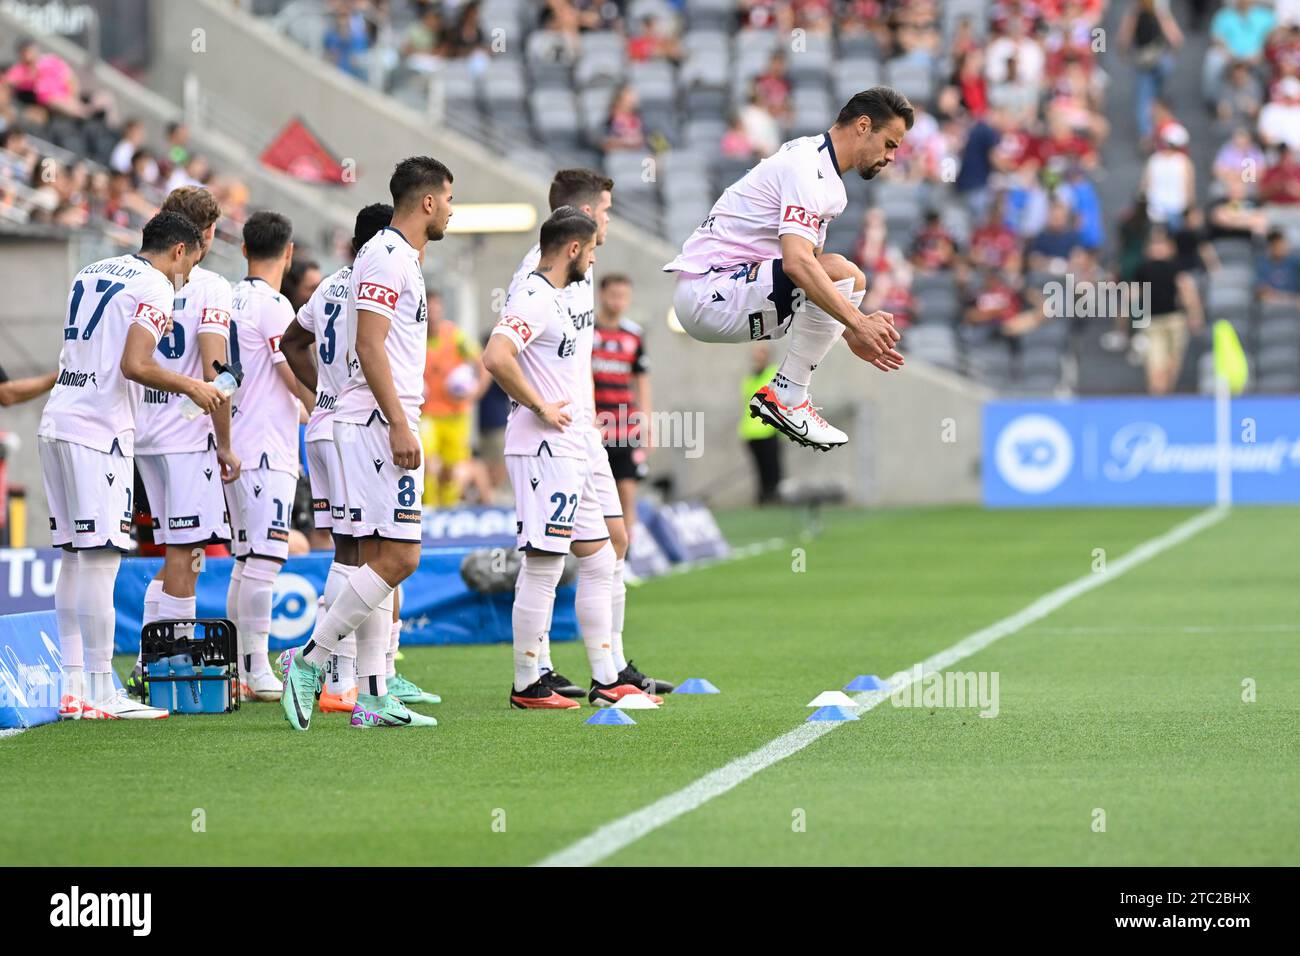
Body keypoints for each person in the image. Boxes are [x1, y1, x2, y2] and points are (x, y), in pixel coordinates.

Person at [281, 156, 455, 732]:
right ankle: (311, 662)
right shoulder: (384, 254)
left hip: (359, 421)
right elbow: (371, 344)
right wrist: (400, 421)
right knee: (398, 557)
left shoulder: (396, 256)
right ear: (427, 202)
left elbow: (303, 340)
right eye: (448, 199)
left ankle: (373, 695)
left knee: (378, 556)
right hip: (374, 426)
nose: (451, 210)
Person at [41, 212, 224, 720]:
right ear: (181, 250)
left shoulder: (91, 270)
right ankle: (102, 689)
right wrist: (194, 385)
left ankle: (73, 686)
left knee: (75, 558)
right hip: (98, 432)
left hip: (57, 420)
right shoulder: (155, 284)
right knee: (100, 558)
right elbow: (135, 365)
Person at [664, 87, 910, 451]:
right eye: (890, 143)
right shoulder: (806, 169)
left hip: (732, 287)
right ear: (863, 126)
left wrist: (849, 330)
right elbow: (797, 264)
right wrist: (857, 322)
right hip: (707, 290)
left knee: (847, 276)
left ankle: (789, 394)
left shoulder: (826, 178)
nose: (891, 157)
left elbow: (810, 280)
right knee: (844, 272)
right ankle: (787, 395)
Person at [484, 210, 662, 711]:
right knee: (544, 562)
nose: (595, 257)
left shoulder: (561, 297)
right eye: (591, 249)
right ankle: (526, 683)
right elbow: (496, 356)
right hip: (542, 445)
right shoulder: (535, 295)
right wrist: (540, 405)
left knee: (602, 553)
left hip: (573, 444)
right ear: (572, 249)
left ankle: (606, 679)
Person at [129, 187, 240, 692]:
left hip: (137, 432)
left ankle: (146, 658)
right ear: (207, 233)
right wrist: (225, 442)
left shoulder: (137, 275)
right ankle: (174, 663)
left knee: (171, 551)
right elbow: (216, 369)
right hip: (184, 434)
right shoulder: (211, 285)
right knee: (187, 553)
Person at [225, 211, 309, 701]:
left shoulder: (227, 299)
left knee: (245, 559)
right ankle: (256, 670)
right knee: (264, 558)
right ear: (290, 252)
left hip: (237, 442)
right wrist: (320, 403)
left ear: (243, 250)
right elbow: (287, 370)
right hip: (263, 450)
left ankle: (241, 666)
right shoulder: (275, 306)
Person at [592, 274, 650, 537]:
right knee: (595, 493)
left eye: (624, 296)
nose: (618, 301)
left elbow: (641, 379)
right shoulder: (586, 332)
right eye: (613, 294)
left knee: (627, 490)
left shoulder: (634, 335)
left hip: (624, 426)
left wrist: (646, 421)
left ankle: (626, 555)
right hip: (593, 426)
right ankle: (598, 553)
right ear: (602, 295)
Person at [420, 293, 489, 506]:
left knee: (451, 470)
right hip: (427, 414)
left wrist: (475, 393)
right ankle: (427, 511)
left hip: (456, 415)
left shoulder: (455, 336)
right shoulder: (414, 336)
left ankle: (447, 510)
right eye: (429, 311)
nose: (433, 315)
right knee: (428, 464)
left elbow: (484, 363)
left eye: (436, 310)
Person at [1133, 228, 1204, 394]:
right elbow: (1135, 295)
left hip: (1175, 321)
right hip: (1153, 323)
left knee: (1172, 366)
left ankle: (1166, 399)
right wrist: (1137, 320)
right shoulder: (1142, 270)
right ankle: (1157, 395)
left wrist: (1194, 315)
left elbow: (1187, 292)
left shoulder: (1176, 268)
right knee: (1155, 366)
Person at [740, 344, 783, 505]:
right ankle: (763, 497)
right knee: (759, 468)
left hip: (768, 429)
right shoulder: (749, 378)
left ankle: (775, 497)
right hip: (750, 432)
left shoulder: (774, 374)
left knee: (773, 467)